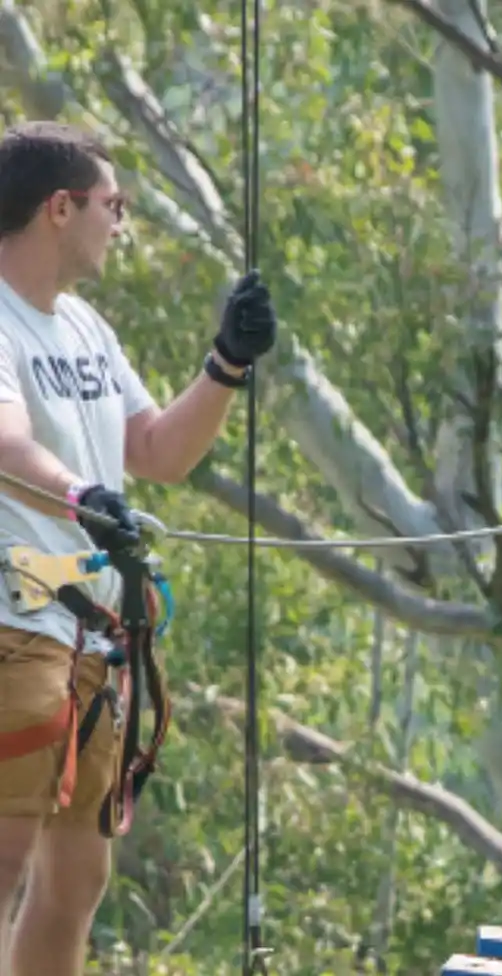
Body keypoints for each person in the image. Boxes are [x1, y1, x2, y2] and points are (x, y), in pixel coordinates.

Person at [0, 121, 277, 976]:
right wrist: (85, 500)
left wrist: (226, 364)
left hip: (92, 640)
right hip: (15, 623)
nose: (120, 223)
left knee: (77, 877)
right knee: (3, 858)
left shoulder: (83, 326)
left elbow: (158, 450)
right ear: (59, 207)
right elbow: (5, 446)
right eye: (112, 206)